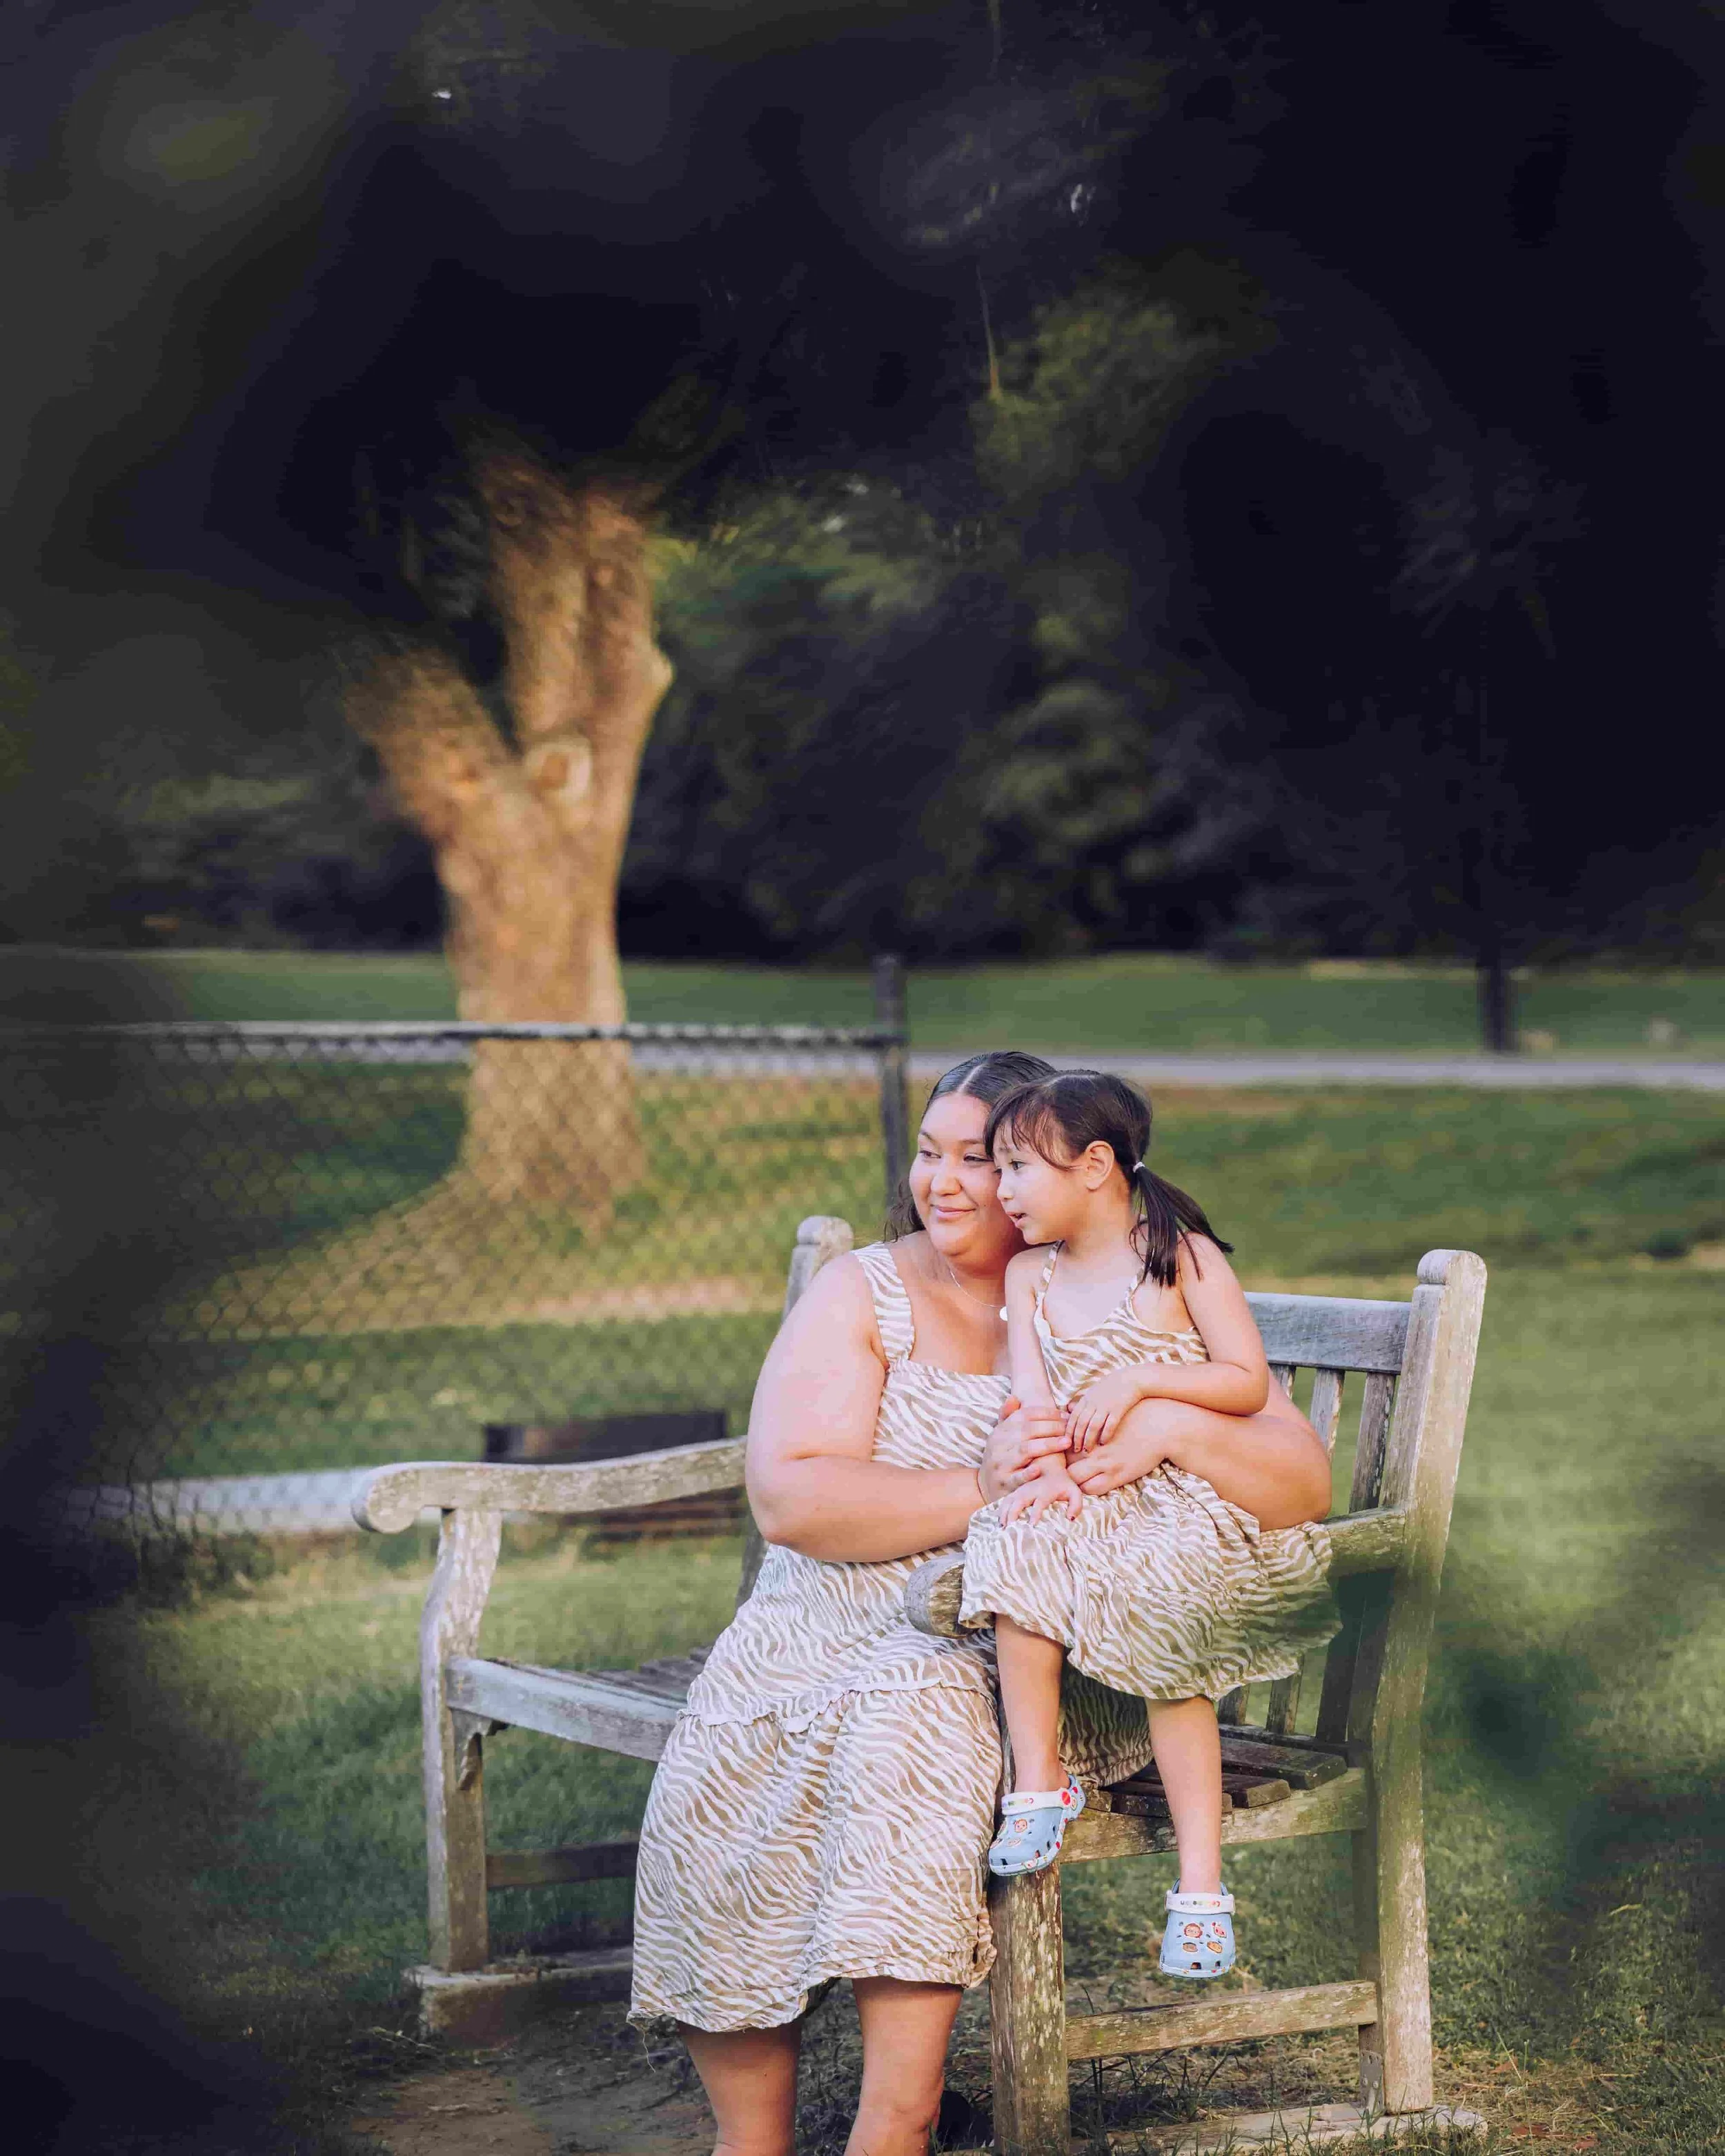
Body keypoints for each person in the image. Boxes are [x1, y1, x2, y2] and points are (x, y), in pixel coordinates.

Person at [629, 1051, 1331, 2156]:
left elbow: (1298, 1483)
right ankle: (749, 2138)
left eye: (984, 1158)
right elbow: (791, 1497)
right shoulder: (866, 1290)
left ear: (1057, 1168)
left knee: (912, 1715)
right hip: (819, 1613)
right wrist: (982, 1486)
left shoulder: (1126, 1285)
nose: (950, 1183)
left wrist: (1168, 1426)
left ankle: (895, 2128)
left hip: (1033, 1642)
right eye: (930, 1153)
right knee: (732, 1737)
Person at [959, 1070, 1339, 1981]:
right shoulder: (1028, 1273)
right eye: (997, 1168)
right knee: (1017, 1548)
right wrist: (1045, 1476)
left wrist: (1138, 1382)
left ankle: (1202, 1888)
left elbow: (1244, 1381)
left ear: (1094, 1165)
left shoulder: (1181, 1255)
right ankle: (1039, 1783)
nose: (1001, 1190)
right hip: (1093, 1490)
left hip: (1184, 1496)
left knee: (1168, 1610)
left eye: (1017, 1167)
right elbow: (1035, 1401)